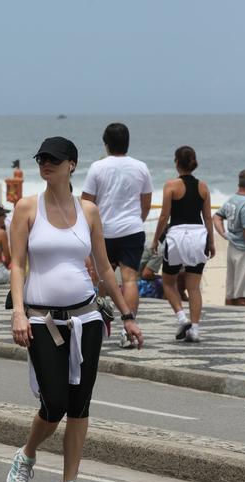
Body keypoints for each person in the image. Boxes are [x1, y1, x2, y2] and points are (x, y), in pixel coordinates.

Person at [6, 136, 143, 482]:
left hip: (87, 318)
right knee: (54, 401)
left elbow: (103, 268)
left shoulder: (90, 212)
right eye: (41, 158)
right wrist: (18, 312)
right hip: (41, 319)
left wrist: (127, 316)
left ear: (72, 165)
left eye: (53, 158)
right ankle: (28, 454)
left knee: (80, 403)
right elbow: (17, 264)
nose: (45, 163)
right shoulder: (26, 208)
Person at [82, 123, 153, 348]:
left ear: (106, 143)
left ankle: (100, 322)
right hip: (132, 229)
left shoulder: (97, 167)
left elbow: (86, 202)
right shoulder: (141, 167)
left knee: (103, 277)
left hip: (104, 230)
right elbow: (146, 202)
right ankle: (128, 328)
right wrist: (136, 219)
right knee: (130, 279)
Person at [152, 146, 215, 343]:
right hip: (198, 236)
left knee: (168, 282)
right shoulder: (203, 187)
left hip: (177, 237)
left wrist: (155, 238)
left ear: (177, 162)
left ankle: (182, 317)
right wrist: (211, 242)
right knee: (194, 287)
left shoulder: (171, 185)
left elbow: (164, 216)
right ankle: (194, 329)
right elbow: (208, 218)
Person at [213, 169, 245, 307]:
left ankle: (229, 318)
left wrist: (225, 234)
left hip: (233, 248)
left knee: (232, 292)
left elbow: (216, 217)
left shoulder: (231, 200)